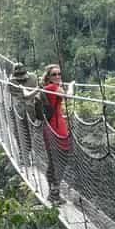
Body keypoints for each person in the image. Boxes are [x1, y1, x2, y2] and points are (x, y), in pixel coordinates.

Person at [39, 63, 74, 204]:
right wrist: (71, 86)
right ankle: (54, 194)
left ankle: (53, 194)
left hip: (48, 129)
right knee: (61, 161)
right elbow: (69, 96)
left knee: (54, 162)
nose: (58, 76)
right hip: (56, 129)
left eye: (59, 74)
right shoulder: (53, 88)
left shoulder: (45, 88)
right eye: (54, 74)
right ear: (48, 76)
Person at [7, 62, 38, 161]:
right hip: (31, 111)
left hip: (20, 112)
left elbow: (24, 96)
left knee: (20, 133)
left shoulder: (12, 82)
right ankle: (27, 154)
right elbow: (28, 95)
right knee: (28, 133)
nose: (21, 79)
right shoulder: (33, 77)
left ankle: (24, 155)